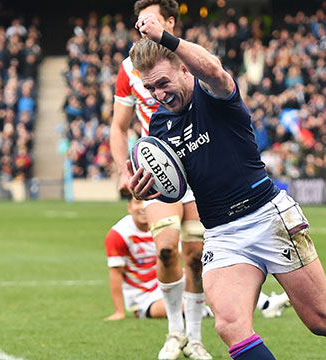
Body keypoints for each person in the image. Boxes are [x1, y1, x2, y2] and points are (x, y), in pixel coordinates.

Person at [127, 17, 326, 359]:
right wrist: (146, 188)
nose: (159, 94)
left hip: (267, 217)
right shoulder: (158, 123)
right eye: (150, 88)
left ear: (185, 69)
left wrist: (168, 38)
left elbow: (214, 70)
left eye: (163, 83)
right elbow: (171, 180)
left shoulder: (211, 93)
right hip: (221, 233)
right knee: (229, 325)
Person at [108, 1, 211, 359]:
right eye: (139, 21)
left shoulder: (190, 58)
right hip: (158, 169)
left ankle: (195, 339)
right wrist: (124, 171)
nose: (142, 26)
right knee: (166, 247)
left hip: (197, 162)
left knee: (196, 255)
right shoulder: (128, 69)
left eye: (150, 19)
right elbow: (118, 127)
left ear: (169, 22)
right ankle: (174, 333)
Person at [104, 197, 291, 321]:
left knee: (216, 279)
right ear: (129, 207)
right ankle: (212, 313)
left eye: (144, 203)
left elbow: (183, 255)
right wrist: (120, 311)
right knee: (187, 307)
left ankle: (266, 303)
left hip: (171, 279)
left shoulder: (164, 226)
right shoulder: (119, 234)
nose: (141, 208)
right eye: (136, 203)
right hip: (144, 297)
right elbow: (115, 274)